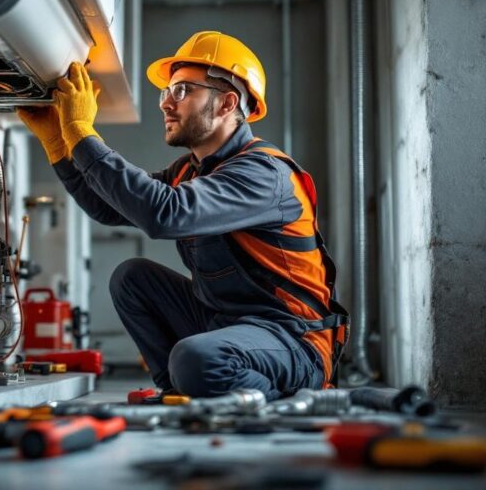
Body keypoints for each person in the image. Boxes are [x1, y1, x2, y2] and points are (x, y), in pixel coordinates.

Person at [18, 31, 349, 400]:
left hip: (291, 340)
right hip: (226, 323)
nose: (165, 104)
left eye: (182, 91)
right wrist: (58, 145)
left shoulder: (263, 173)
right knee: (133, 278)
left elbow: (165, 214)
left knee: (196, 359)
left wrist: (82, 132)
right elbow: (107, 206)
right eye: (166, 92)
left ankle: (283, 397)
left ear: (227, 104)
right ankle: (179, 390)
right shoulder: (192, 170)